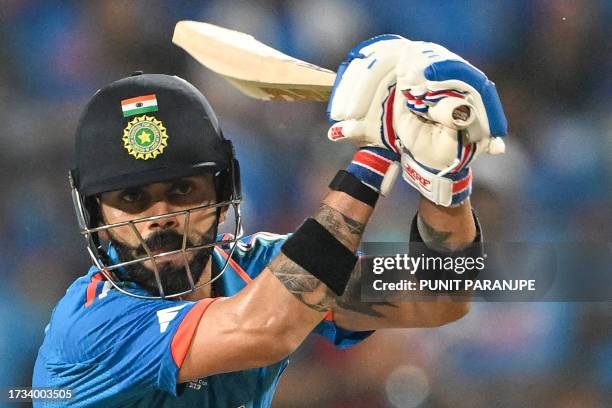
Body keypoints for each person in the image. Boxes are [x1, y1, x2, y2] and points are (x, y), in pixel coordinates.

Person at [33, 36, 507, 407]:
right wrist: (379, 152)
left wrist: (444, 177)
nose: (162, 217)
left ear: (223, 195)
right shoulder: (91, 326)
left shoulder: (259, 270)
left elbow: (439, 300)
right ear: (97, 213)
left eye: (182, 190)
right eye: (132, 199)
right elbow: (266, 326)